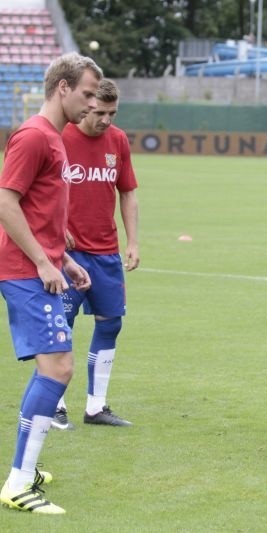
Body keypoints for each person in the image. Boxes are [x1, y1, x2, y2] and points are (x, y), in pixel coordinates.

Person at [0, 52, 102, 514]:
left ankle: (27, 466)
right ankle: (19, 482)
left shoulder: (56, 140)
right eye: (85, 93)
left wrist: (65, 258)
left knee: (52, 367)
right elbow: (6, 200)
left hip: (43, 266)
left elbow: (42, 209)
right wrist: (45, 264)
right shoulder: (34, 136)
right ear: (63, 88)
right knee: (59, 368)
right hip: (24, 272)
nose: (90, 102)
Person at [51, 78, 139, 430]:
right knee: (61, 327)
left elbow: (128, 191)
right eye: (100, 112)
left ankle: (95, 406)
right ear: (86, 105)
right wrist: (57, 230)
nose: (106, 120)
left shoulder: (117, 140)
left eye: (112, 113)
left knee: (111, 323)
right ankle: (55, 405)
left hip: (106, 251)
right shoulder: (60, 136)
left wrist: (133, 242)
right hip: (68, 254)